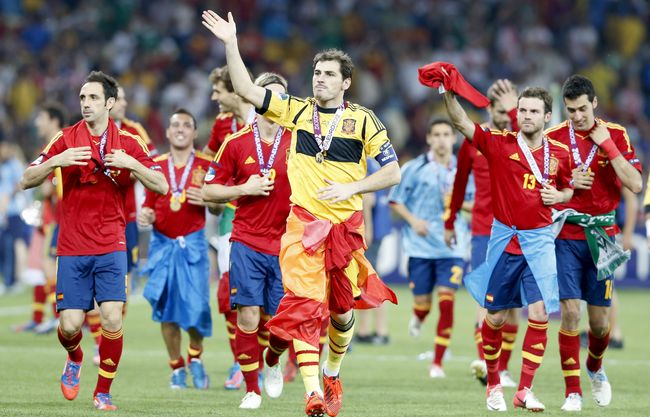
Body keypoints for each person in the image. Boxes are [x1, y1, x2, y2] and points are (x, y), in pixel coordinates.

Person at [202, 11, 401, 417]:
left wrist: (353, 187)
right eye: (316, 72)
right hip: (302, 228)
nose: (320, 79)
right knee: (307, 307)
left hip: (346, 229)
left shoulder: (364, 121)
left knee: (342, 316)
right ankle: (312, 394)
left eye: (329, 74)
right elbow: (244, 88)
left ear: (346, 82)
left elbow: (393, 172)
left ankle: (329, 373)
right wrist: (231, 43)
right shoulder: (295, 111)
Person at [20, 70, 168, 411]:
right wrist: (56, 161)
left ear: (110, 103)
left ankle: (102, 392)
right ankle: (74, 357)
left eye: (93, 98)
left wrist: (133, 164)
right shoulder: (64, 138)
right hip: (72, 246)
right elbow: (27, 178)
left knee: (113, 318)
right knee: (70, 325)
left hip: (112, 243)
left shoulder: (130, 142)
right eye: (83, 98)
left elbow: (160, 185)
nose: (86, 104)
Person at [442, 86, 573, 412]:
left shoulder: (559, 152)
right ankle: (494, 384)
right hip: (505, 242)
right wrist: (447, 91)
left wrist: (560, 198)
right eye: (523, 111)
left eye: (533, 111)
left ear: (546, 116)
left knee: (540, 314)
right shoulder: (499, 144)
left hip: (541, 242)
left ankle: (524, 389)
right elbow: (461, 123)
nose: (527, 116)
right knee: (496, 317)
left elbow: (568, 189)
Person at [545, 74, 642, 411]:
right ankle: (572, 390)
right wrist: (566, 184)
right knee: (570, 313)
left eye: (583, 109)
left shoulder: (616, 135)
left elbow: (635, 183)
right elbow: (540, 192)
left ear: (594, 104)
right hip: (566, 235)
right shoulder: (553, 139)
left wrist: (608, 147)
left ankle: (596, 367)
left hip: (603, 236)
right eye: (571, 110)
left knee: (600, 323)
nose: (577, 116)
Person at [203, 72, 293, 409]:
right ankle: (251, 390)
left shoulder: (299, 141)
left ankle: (272, 360)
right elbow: (209, 189)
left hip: (287, 244)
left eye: (280, 95)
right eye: (267, 94)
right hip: (246, 240)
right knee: (247, 317)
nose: (274, 101)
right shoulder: (236, 141)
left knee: (281, 322)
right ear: (255, 97)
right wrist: (243, 188)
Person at [444, 79, 521, 387]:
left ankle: (502, 368)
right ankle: (485, 364)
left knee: (514, 306)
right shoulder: (476, 140)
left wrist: (516, 111)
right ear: (489, 108)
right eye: (501, 111)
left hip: (518, 228)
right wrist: (450, 222)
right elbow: (460, 182)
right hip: (483, 229)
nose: (507, 116)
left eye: (510, 111)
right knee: (485, 298)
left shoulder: (522, 137)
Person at [139, 108, 214, 391]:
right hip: (162, 244)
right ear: (168, 133)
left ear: (195, 133)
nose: (180, 129)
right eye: (175, 125)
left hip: (193, 244)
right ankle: (176, 367)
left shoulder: (207, 164)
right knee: (167, 312)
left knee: (196, 310)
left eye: (186, 125)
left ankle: (195, 356)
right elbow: (147, 203)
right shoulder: (155, 164)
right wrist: (145, 215)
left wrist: (209, 197)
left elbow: (220, 204)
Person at [389, 119, 468, 378]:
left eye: (447, 134)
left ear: (454, 139)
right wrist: (413, 221)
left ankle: (437, 362)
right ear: (429, 139)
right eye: (438, 134)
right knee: (423, 303)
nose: (443, 139)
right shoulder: (414, 168)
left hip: (453, 247)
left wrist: (457, 204)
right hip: (420, 246)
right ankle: (419, 316)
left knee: (447, 302)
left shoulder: (465, 169)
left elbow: (478, 203)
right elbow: (395, 200)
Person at [204, 65, 256, 390]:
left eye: (218, 91)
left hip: (269, 218)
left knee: (268, 296)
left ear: (235, 91)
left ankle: (274, 356)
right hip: (231, 216)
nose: (214, 97)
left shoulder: (265, 116)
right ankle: (241, 361)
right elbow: (209, 161)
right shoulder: (222, 124)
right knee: (229, 293)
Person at [11, 103, 66, 334]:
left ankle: (57, 318)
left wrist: (50, 186)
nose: (37, 123)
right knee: (41, 267)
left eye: (41, 117)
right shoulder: (49, 146)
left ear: (53, 120)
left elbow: (59, 183)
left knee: (48, 267)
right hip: (46, 217)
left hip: (58, 218)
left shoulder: (63, 144)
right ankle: (40, 317)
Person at [355, 156, 393, 346]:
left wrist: (366, 230)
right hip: (380, 227)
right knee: (369, 281)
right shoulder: (377, 161)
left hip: (370, 230)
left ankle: (374, 330)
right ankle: (374, 330)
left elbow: (367, 200)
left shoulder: (364, 162)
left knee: (367, 282)